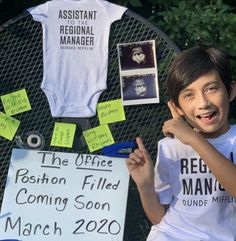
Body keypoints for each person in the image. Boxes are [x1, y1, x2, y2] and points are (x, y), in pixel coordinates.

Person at [126, 46, 236, 241]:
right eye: (189, 95)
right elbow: (159, 218)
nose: (203, 103)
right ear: (177, 107)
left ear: (231, 90)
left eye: (211, 88)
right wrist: (145, 185)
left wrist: (194, 140)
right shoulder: (169, 147)